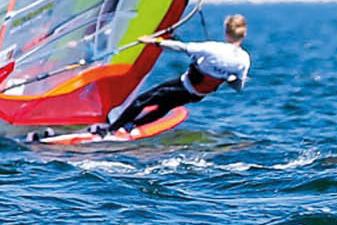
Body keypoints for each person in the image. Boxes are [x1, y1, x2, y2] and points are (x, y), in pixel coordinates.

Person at [95, 13, 250, 137]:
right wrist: (228, 77)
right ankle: (131, 126)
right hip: (197, 95)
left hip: (183, 86)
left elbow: (181, 47)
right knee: (164, 107)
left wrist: (154, 41)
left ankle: (110, 131)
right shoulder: (244, 59)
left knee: (142, 100)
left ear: (226, 32)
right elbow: (238, 87)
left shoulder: (214, 48)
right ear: (244, 34)